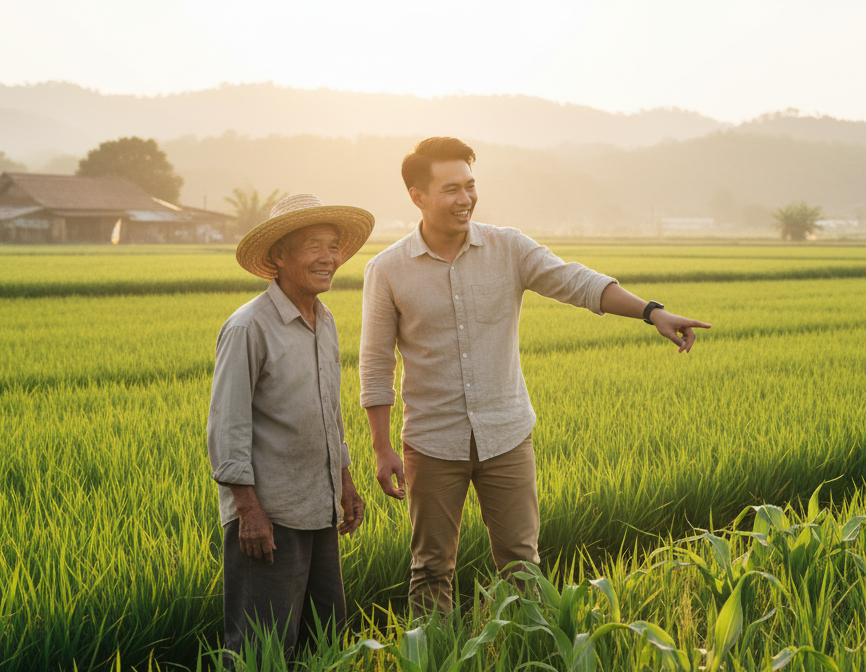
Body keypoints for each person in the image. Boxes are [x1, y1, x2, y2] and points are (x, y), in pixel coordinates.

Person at [359, 137, 713, 613]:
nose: (465, 199)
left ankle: (526, 655)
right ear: (417, 196)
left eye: (470, 186)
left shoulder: (508, 247)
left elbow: (577, 282)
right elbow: (376, 363)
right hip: (431, 441)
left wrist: (651, 312)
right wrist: (382, 448)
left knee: (522, 566)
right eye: (450, 189)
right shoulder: (387, 269)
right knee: (430, 569)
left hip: (506, 435)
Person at [206, 193, 374, 662]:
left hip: (318, 505)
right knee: (262, 648)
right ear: (278, 255)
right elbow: (227, 425)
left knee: (325, 637)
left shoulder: (325, 320)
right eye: (314, 245)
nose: (330, 258)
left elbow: (328, 412)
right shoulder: (249, 327)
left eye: (335, 246)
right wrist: (248, 511)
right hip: (270, 515)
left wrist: (344, 481)